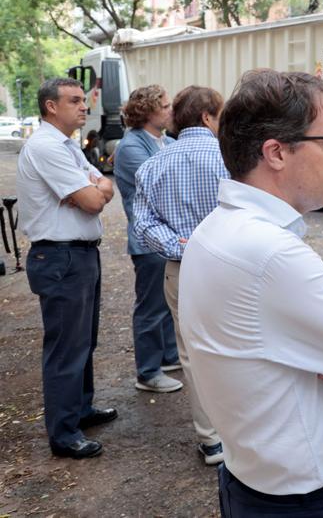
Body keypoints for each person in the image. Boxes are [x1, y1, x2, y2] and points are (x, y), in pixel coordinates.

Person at [179, 70, 323, 516]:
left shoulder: (217, 229)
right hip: (310, 499)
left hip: (253, 481)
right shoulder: (270, 253)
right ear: (276, 152)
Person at [16, 78, 116, 459]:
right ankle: (63, 433)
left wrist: (98, 189)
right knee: (66, 349)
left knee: (83, 342)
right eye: (73, 101)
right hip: (60, 257)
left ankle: (80, 410)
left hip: (79, 254)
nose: (83, 106)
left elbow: (103, 186)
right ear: (50, 107)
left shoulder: (68, 146)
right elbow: (93, 199)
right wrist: (95, 191)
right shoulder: (45, 146)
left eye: (82, 100)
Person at [133, 85, 229, 465]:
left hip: (182, 270)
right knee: (244, 343)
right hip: (232, 264)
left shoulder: (153, 164)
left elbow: (142, 225)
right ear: (207, 117)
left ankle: (212, 441)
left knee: (193, 355)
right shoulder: (231, 158)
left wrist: (181, 246)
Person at [112, 85, 182, 395]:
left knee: (166, 303)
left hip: (168, 237)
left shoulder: (165, 141)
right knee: (151, 307)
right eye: (164, 105)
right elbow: (161, 185)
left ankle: (167, 356)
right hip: (149, 240)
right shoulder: (131, 147)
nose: (171, 110)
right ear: (147, 111)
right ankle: (148, 371)